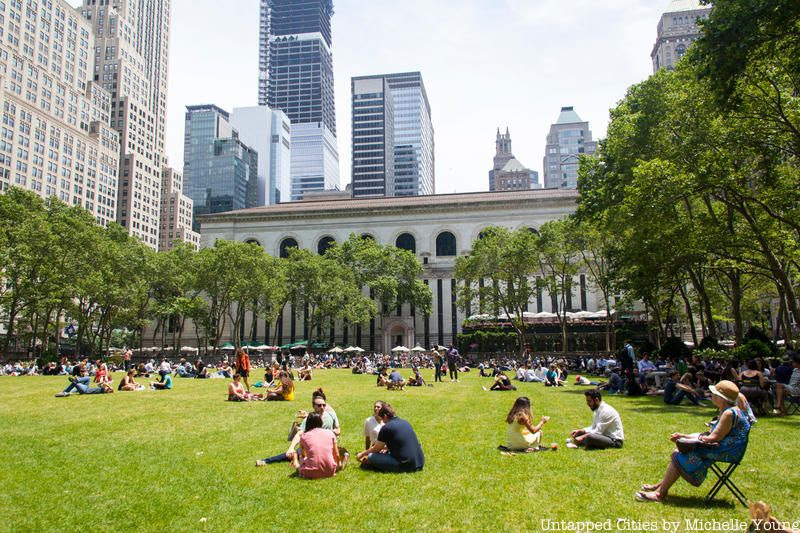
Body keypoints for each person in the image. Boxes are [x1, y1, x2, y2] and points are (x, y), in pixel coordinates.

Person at [636, 380, 751, 503]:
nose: (711, 395)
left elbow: (713, 438)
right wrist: (685, 436)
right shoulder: (732, 410)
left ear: (721, 398)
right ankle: (660, 487)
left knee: (679, 454)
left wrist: (687, 440)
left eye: (714, 394)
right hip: (728, 449)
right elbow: (711, 436)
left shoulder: (728, 413)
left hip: (727, 452)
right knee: (679, 452)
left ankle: (659, 493)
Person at [357, 403, 424, 473]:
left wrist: (361, 454)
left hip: (405, 465)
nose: (382, 422)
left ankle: (372, 466)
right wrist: (385, 448)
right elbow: (400, 444)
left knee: (371, 456)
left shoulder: (387, 427)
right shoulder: (405, 422)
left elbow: (376, 449)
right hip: (419, 462)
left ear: (385, 416)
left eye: (382, 418)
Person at [291, 412, 340, 479]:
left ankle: (296, 463)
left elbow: (303, 455)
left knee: (302, 458)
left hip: (309, 473)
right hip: (330, 471)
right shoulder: (330, 433)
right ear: (321, 422)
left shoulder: (304, 436)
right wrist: (338, 465)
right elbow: (336, 454)